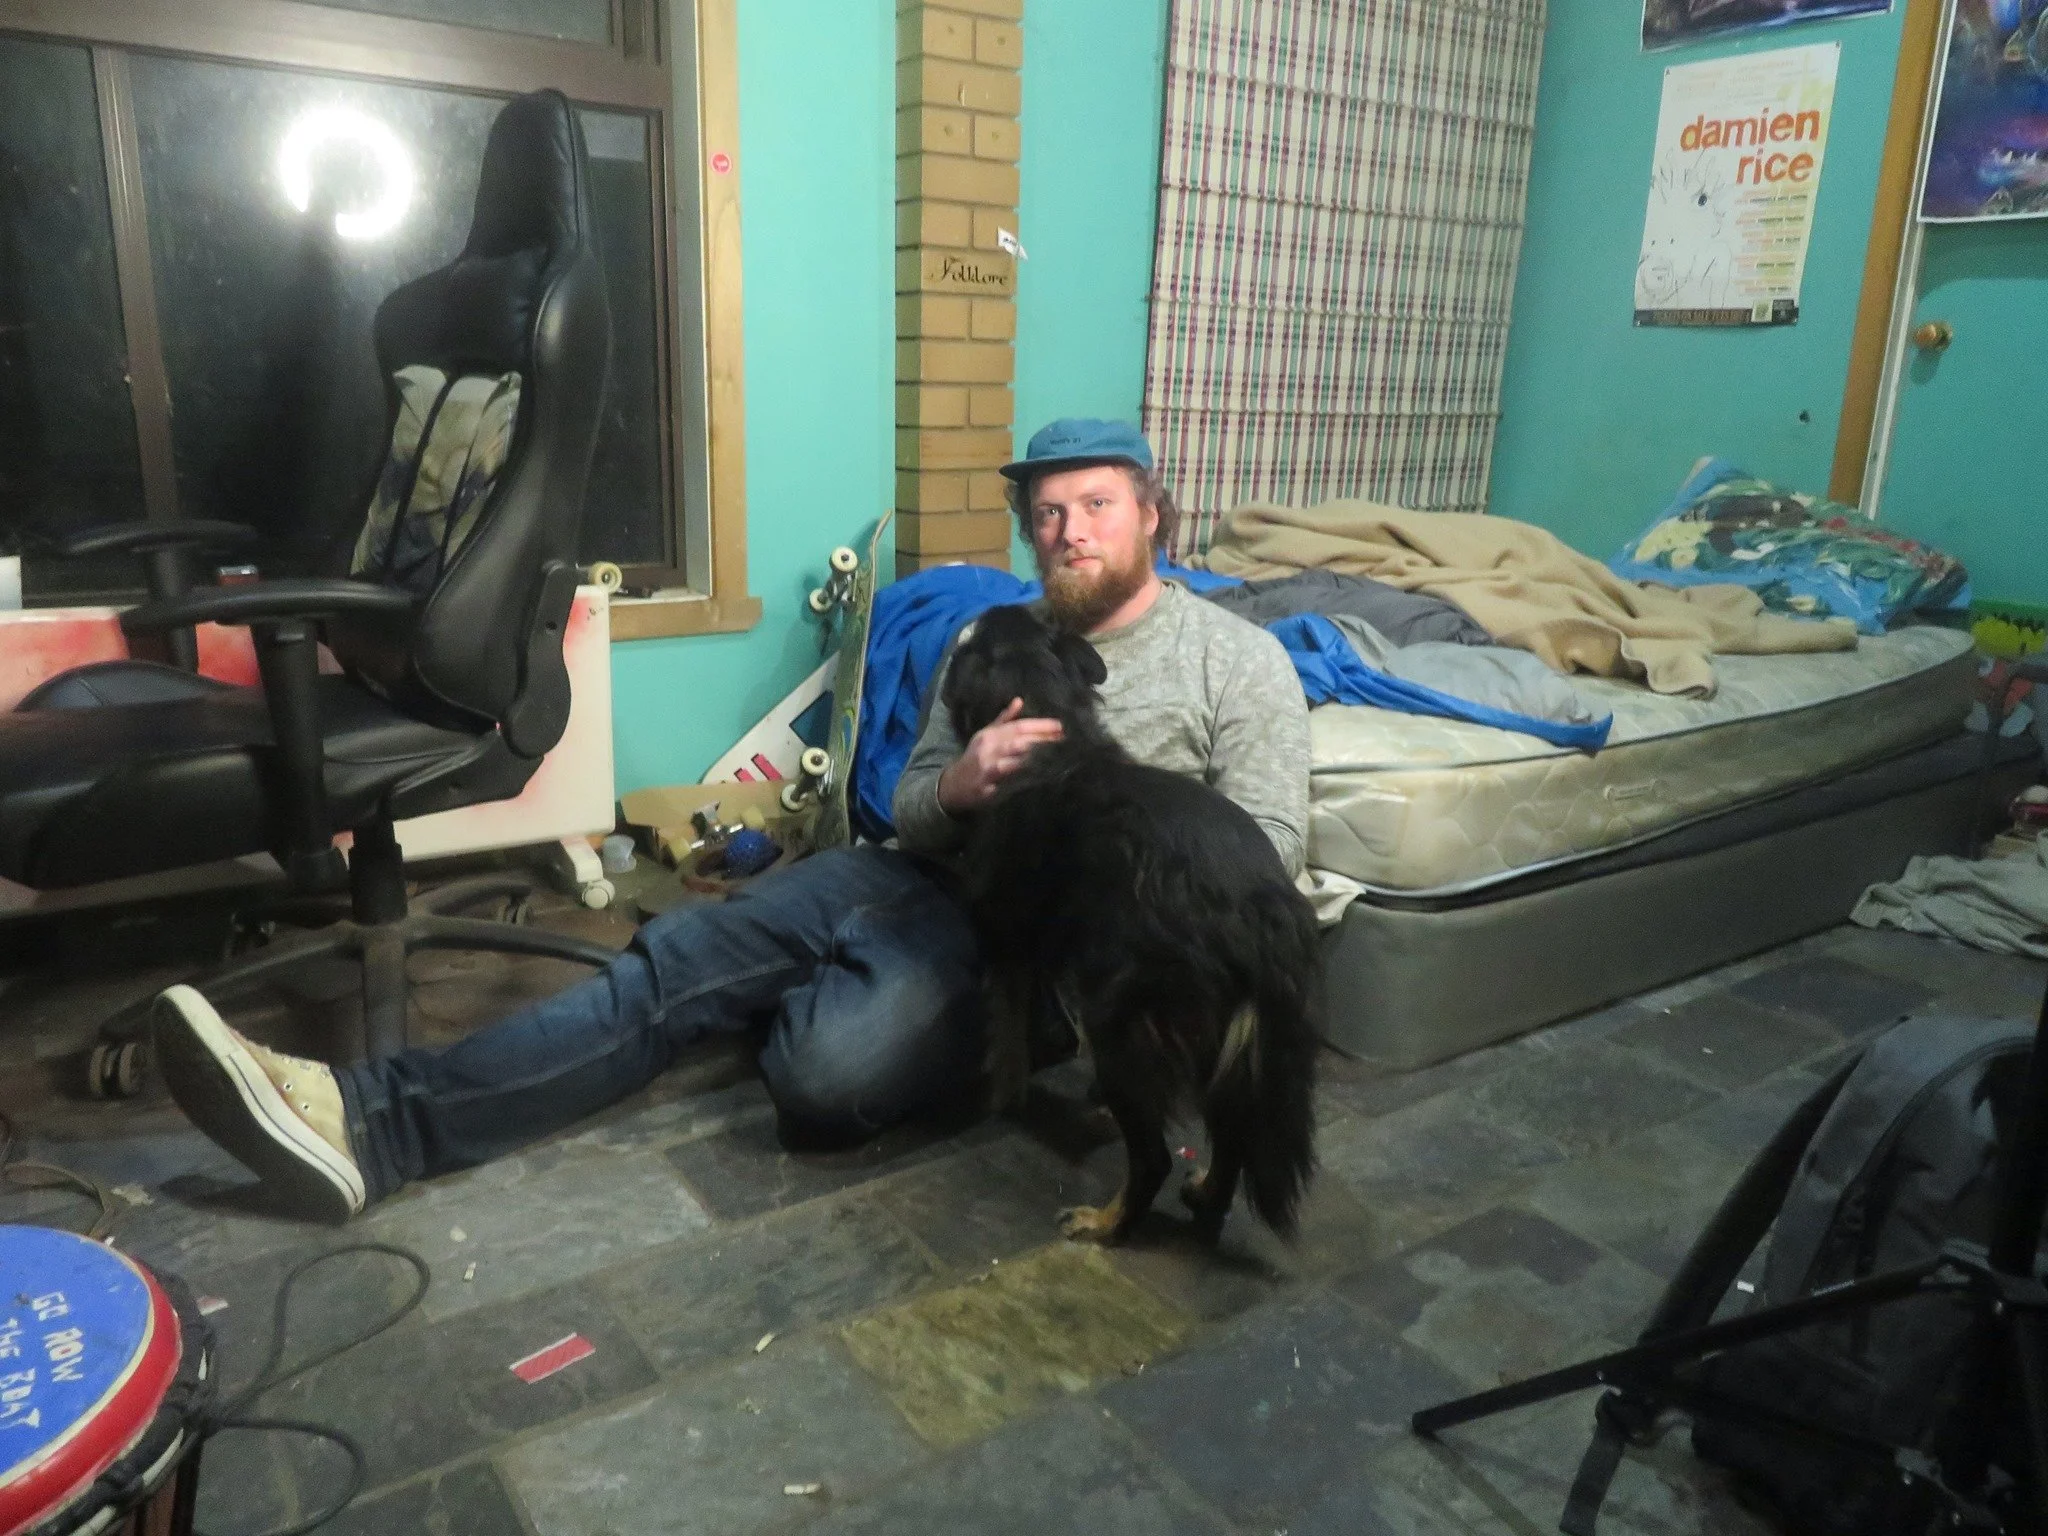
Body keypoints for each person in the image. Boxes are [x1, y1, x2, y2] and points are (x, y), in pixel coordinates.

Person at [153, 418, 1312, 1221]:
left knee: (822, 1079)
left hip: (1056, 958)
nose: (1065, 533)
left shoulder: (1235, 662)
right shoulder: (990, 637)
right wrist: (962, 787)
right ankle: (369, 1123)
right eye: (1047, 513)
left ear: (1152, 513)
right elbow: (910, 810)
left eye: (1094, 506)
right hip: (915, 879)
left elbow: (1264, 863)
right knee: (666, 965)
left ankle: (793, 999)